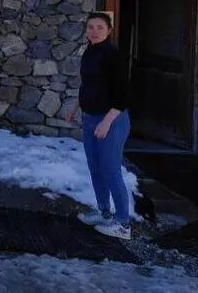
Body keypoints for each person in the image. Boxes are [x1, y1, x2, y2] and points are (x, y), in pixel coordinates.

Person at [65, 12, 132, 240]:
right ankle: (104, 212)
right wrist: (76, 107)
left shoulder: (113, 55)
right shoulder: (89, 51)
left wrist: (106, 121)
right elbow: (88, 84)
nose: (94, 31)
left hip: (111, 119)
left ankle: (123, 223)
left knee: (111, 170)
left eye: (100, 27)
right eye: (91, 27)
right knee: (95, 168)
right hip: (91, 118)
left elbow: (123, 94)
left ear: (109, 30)